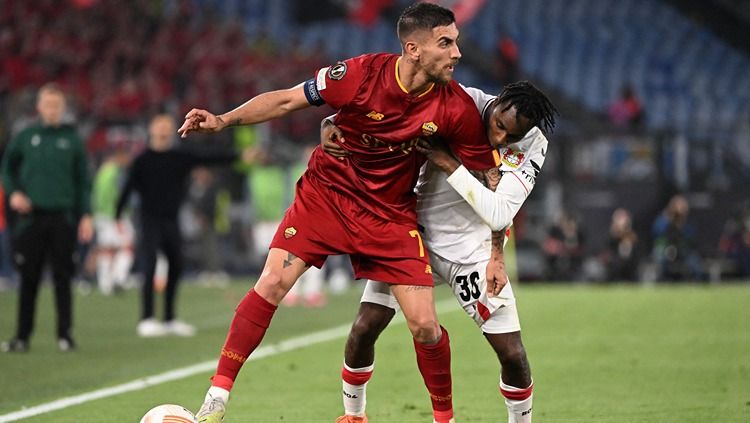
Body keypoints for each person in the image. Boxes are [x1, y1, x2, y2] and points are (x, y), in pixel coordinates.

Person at [178, 4, 499, 422]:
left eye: (455, 42)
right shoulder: (359, 75)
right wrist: (223, 120)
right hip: (328, 195)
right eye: (445, 42)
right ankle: (216, 398)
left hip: (390, 213)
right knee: (273, 282)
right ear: (413, 49)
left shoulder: (454, 107)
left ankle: (445, 419)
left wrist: (495, 250)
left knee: (424, 325)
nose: (457, 52)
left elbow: (491, 178)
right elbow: (286, 100)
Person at [322, 81, 557, 423]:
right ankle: (353, 416)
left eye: (513, 136)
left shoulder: (534, 144)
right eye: (500, 126)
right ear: (499, 101)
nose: (502, 139)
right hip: (414, 236)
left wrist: (496, 255)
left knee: (511, 352)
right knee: (365, 327)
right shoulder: (457, 101)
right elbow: (379, 105)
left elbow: (500, 212)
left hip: (471, 250)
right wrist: (331, 122)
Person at [116, 114, 245, 338]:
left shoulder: (179, 157)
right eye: (160, 126)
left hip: (171, 220)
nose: (164, 130)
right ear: (151, 129)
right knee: (150, 266)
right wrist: (117, 215)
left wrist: (240, 154)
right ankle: (147, 318)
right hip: (149, 220)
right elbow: (127, 188)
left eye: (167, 126)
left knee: (176, 266)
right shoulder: (142, 160)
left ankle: (169, 319)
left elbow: (209, 158)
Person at [0, 83, 93, 353]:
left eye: (57, 105)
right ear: (39, 107)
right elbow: (7, 167)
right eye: (48, 104)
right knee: (28, 278)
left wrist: (85, 215)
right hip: (31, 219)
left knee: (63, 278)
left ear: (62, 109)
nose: (52, 110)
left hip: (62, 217)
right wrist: (15, 192)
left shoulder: (72, 139)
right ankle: (21, 336)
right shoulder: (26, 136)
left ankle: (65, 335)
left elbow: (82, 181)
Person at [92, 145, 134, 295]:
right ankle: (119, 278)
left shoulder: (103, 172)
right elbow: (119, 196)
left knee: (106, 249)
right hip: (116, 216)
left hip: (101, 215)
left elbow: (96, 195)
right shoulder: (116, 173)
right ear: (120, 156)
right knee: (126, 248)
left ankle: (105, 283)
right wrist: (119, 215)